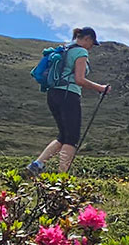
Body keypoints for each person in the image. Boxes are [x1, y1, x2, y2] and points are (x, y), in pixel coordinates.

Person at [28, 27, 109, 176]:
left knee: (63, 136)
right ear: (87, 39)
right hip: (68, 95)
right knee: (72, 138)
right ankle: (62, 178)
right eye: (92, 43)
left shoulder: (64, 49)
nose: (91, 47)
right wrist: (100, 88)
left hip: (52, 94)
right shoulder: (81, 52)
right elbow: (79, 80)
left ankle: (37, 164)